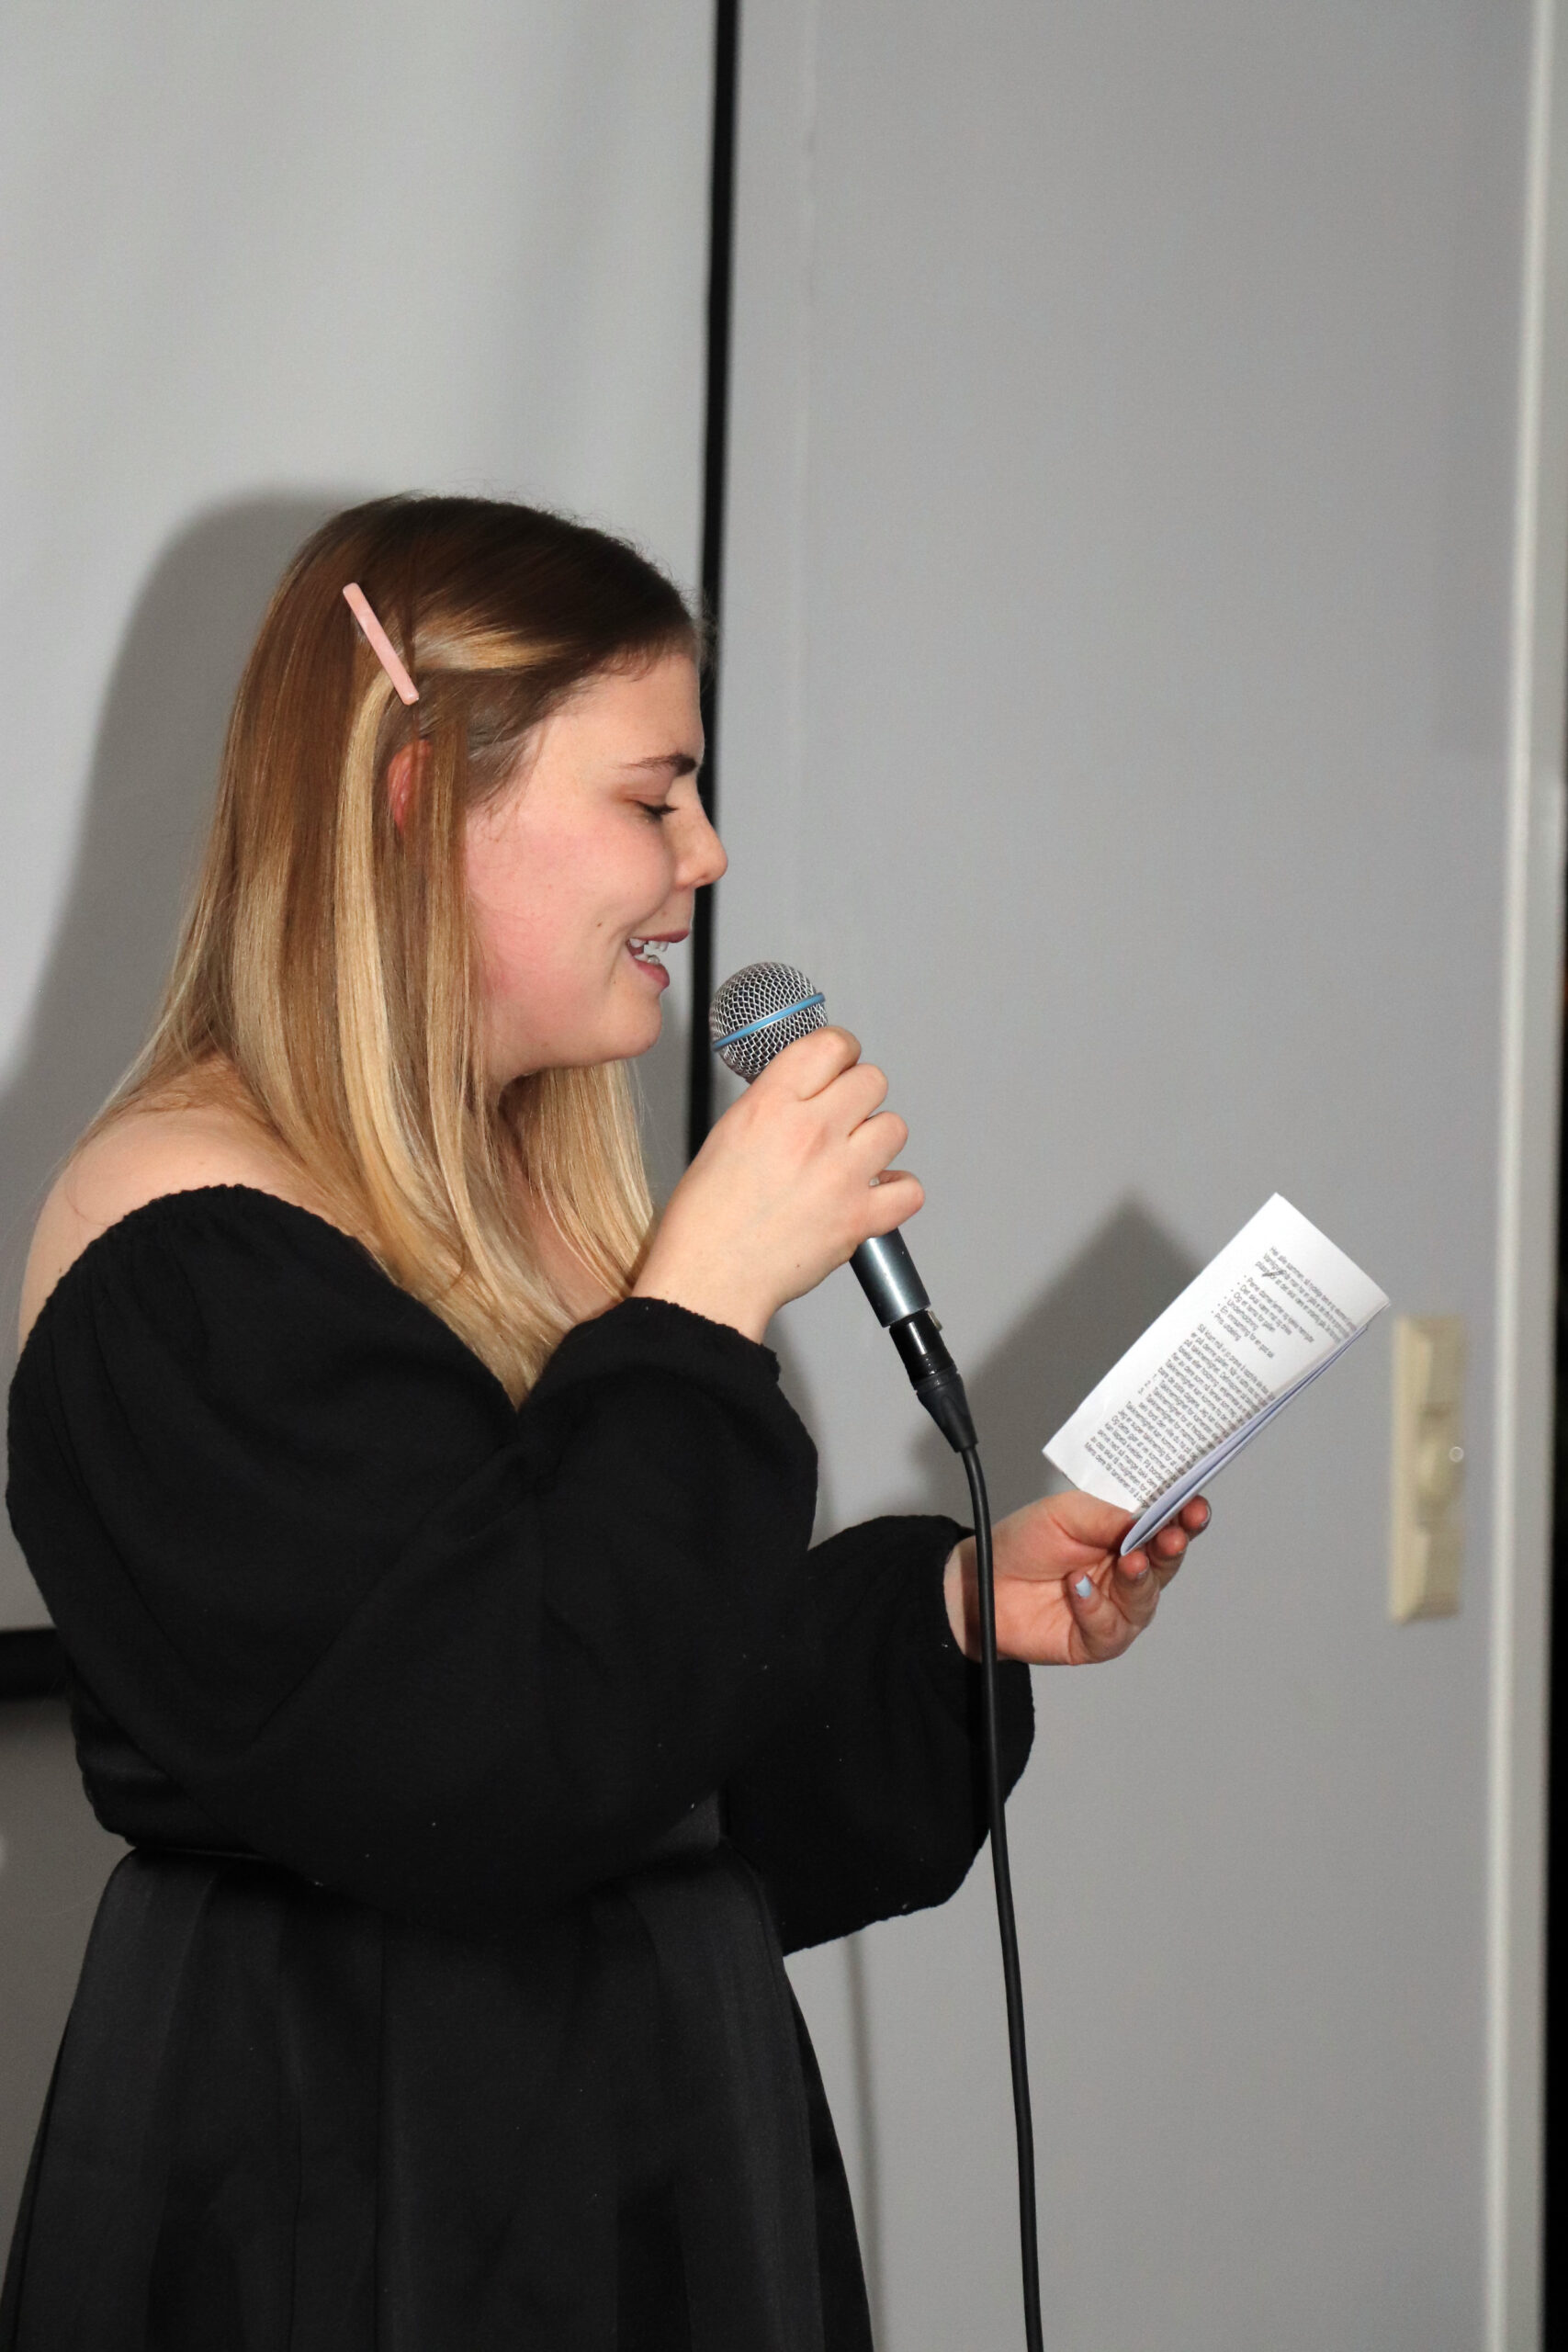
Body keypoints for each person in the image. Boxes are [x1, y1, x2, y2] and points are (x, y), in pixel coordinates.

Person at [0, 495, 1203, 2352]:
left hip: (655, 2149)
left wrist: (948, 1614)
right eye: (655, 795)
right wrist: (696, 1310)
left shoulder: (539, 1214)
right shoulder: (181, 1253)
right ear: (418, 796)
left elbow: (658, 1755)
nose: (705, 854)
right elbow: (479, 1771)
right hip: (357, 2189)